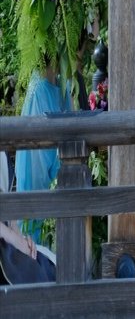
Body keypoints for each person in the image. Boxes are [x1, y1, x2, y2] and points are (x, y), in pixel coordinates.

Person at [13, 65, 72, 243]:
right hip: (37, 169)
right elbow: (40, 153)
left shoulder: (64, 83)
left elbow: (71, 124)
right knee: (34, 230)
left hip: (58, 166)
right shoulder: (39, 88)